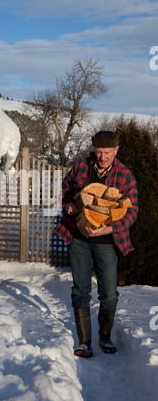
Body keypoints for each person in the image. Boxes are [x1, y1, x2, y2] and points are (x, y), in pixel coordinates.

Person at [54, 130, 138, 358]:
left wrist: (109, 228)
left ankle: (105, 336)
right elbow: (63, 189)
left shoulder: (125, 176)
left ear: (116, 150)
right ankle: (84, 342)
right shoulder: (81, 167)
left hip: (107, 241)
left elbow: (132, 211)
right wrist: (68, 204)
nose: (102, 157)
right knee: (80, 290)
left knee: (109, 294)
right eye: (99, 152)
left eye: (107, 153)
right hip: (79, 240)